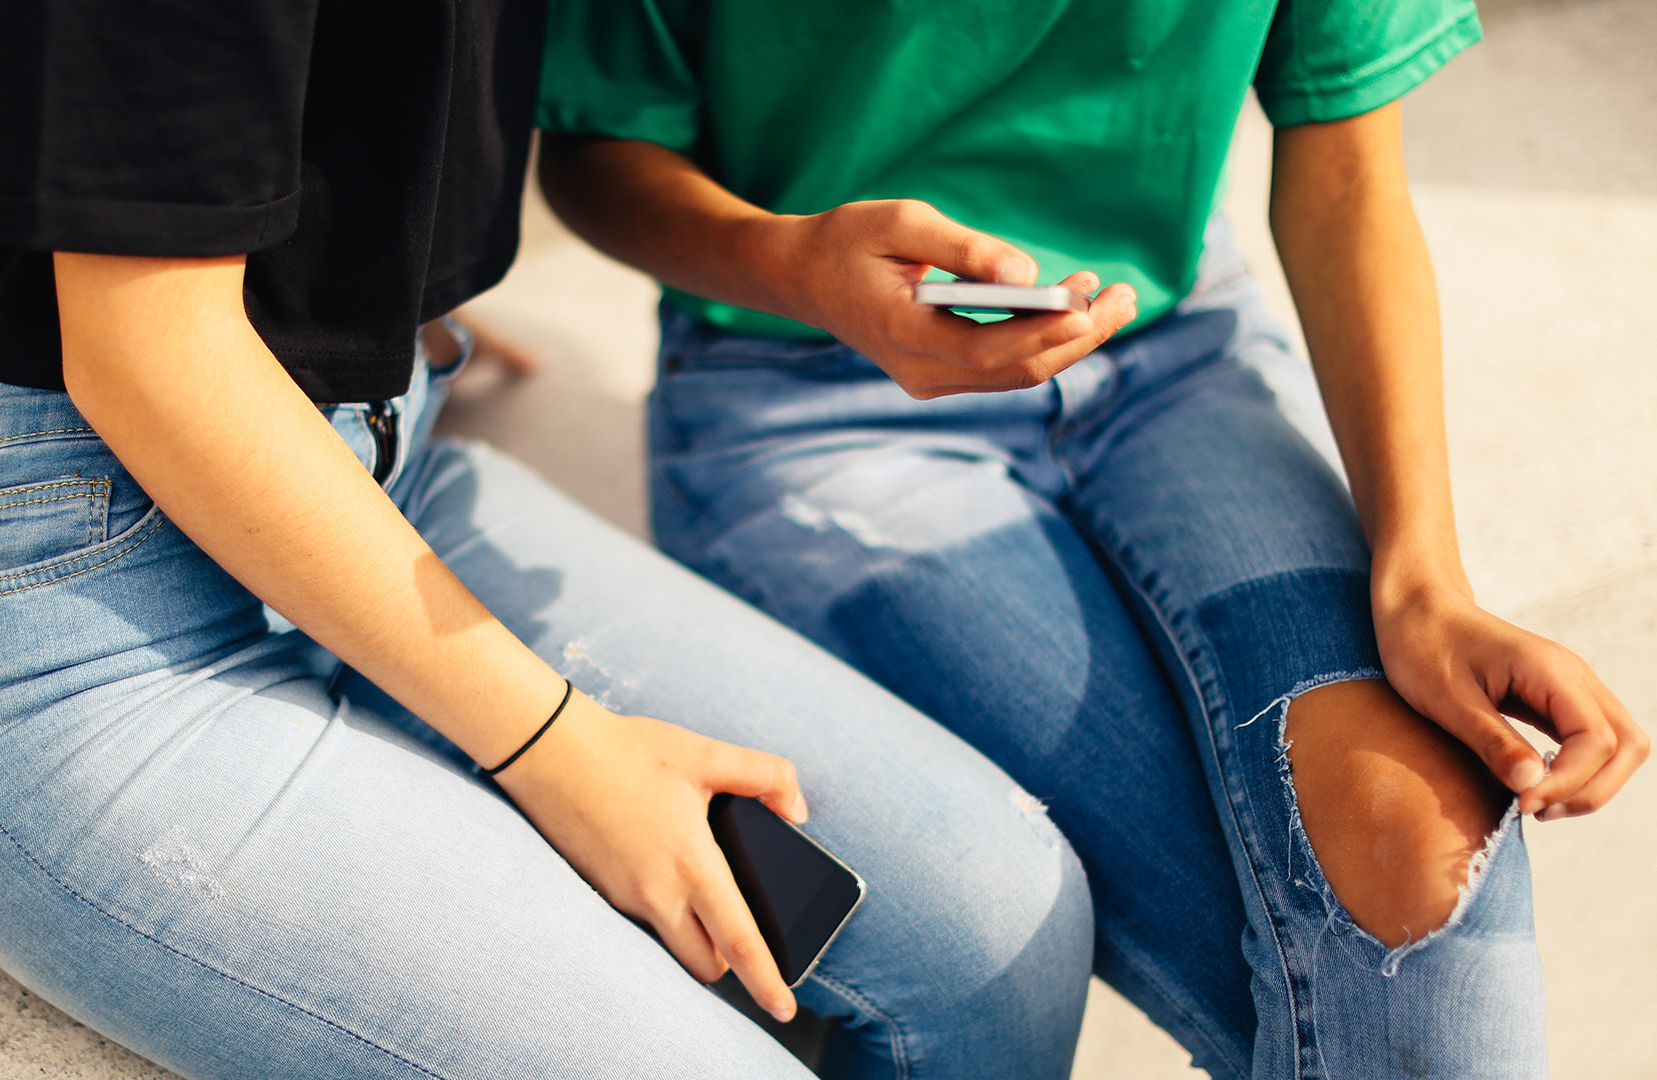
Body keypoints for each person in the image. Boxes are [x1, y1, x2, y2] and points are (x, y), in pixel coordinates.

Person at [0, 1, 1097, 1077]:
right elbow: (147, 353)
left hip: (375, 464)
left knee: (1001, 942)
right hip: (94, 602)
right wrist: (559, 748)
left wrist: (362, 294)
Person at [533, 1, 1648, 1077]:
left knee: (1419, 858)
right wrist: (797, 263)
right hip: (809, 388)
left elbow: (1349, 168)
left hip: (1175, 350)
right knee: (1325, 957)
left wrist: (1423, 583)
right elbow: (594, 149)